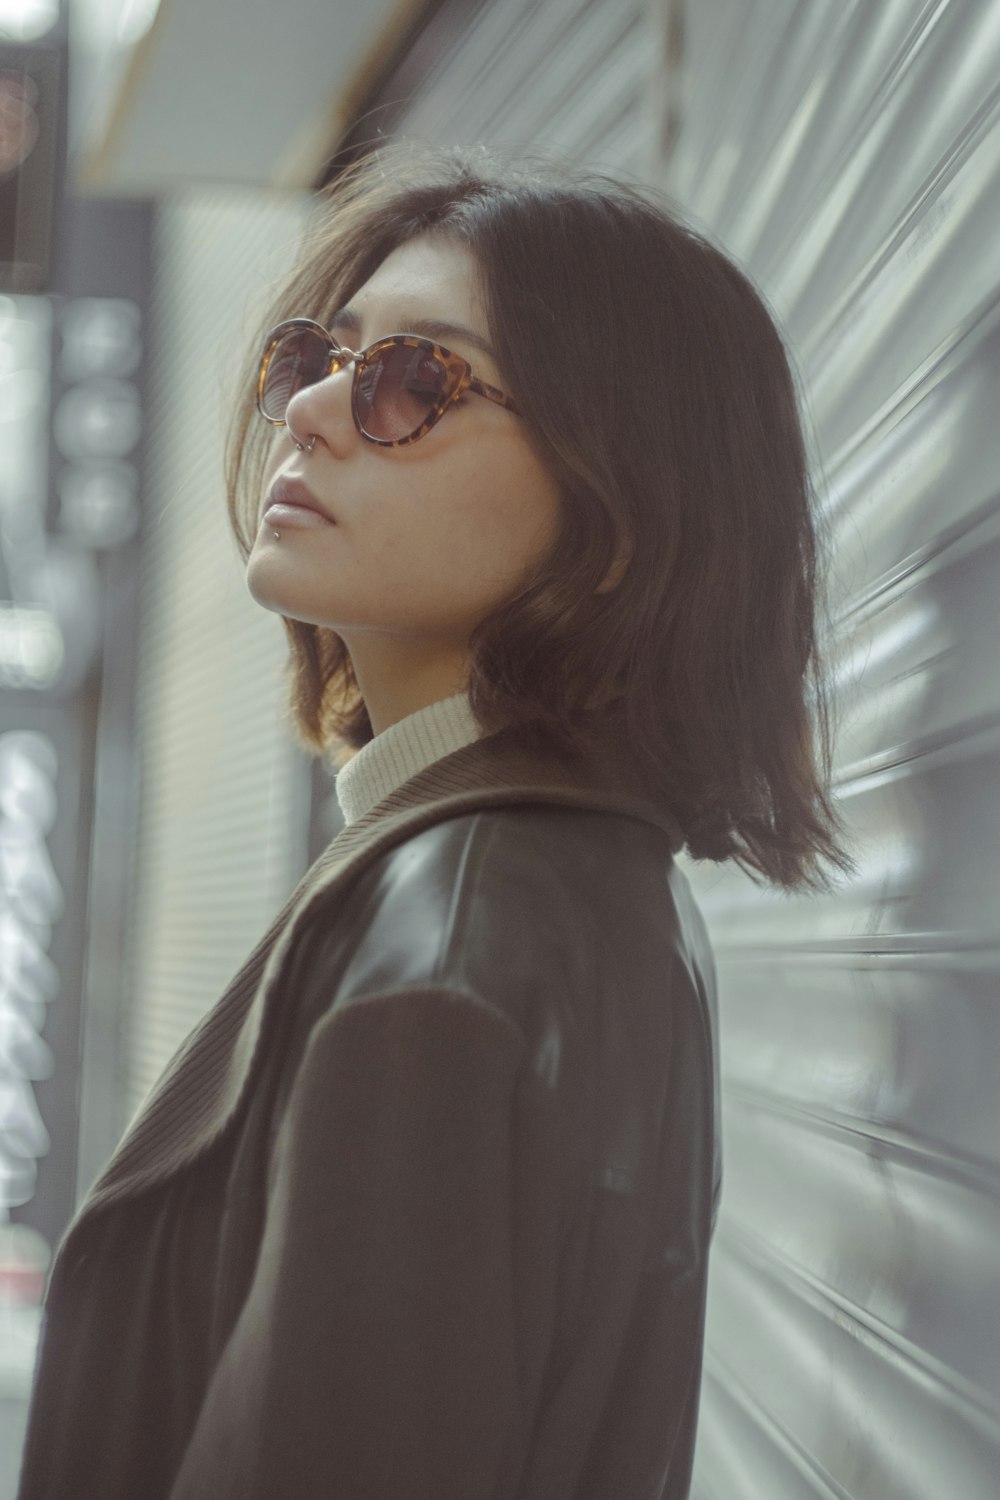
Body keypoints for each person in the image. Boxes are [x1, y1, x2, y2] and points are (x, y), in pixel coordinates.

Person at [16, 140, 856, 1500]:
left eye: (420, 381)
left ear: (617, 521)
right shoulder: (565, 881)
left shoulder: (451, 951)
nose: (312, 414)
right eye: (321, 360)